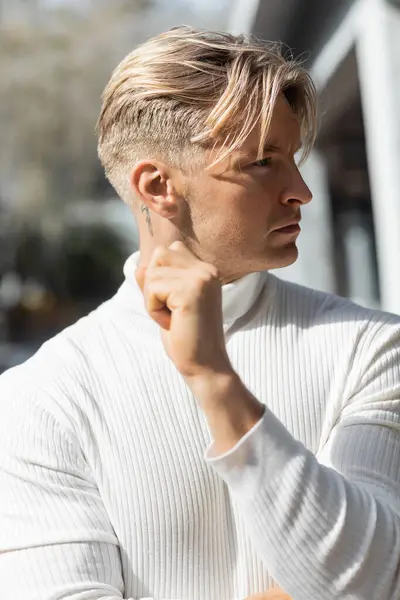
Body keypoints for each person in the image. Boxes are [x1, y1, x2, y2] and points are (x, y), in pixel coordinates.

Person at [0, 25, 400, 600]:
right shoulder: (44, 398)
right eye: (262, 162)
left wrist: (215, 381)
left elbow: (371, 577)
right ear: (159, 185)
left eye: (292, 158)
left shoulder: (373, 348)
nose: (301, 191)